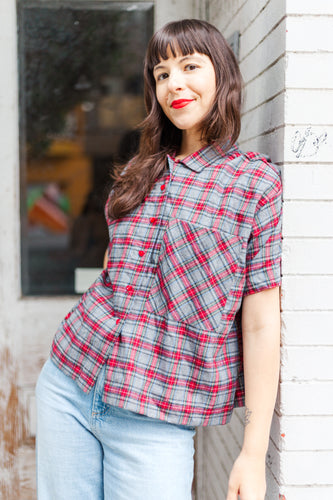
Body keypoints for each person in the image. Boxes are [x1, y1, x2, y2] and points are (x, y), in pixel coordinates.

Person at [36, 19, 282, 500]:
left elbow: (259, 325)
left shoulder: (253, 185)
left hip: (158, 417)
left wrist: (253, 453)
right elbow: (115, 269)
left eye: (190, 66)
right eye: (161, 73)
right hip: (70, 381)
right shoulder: (138, 172)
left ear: (222, 75)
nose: (174, 84)